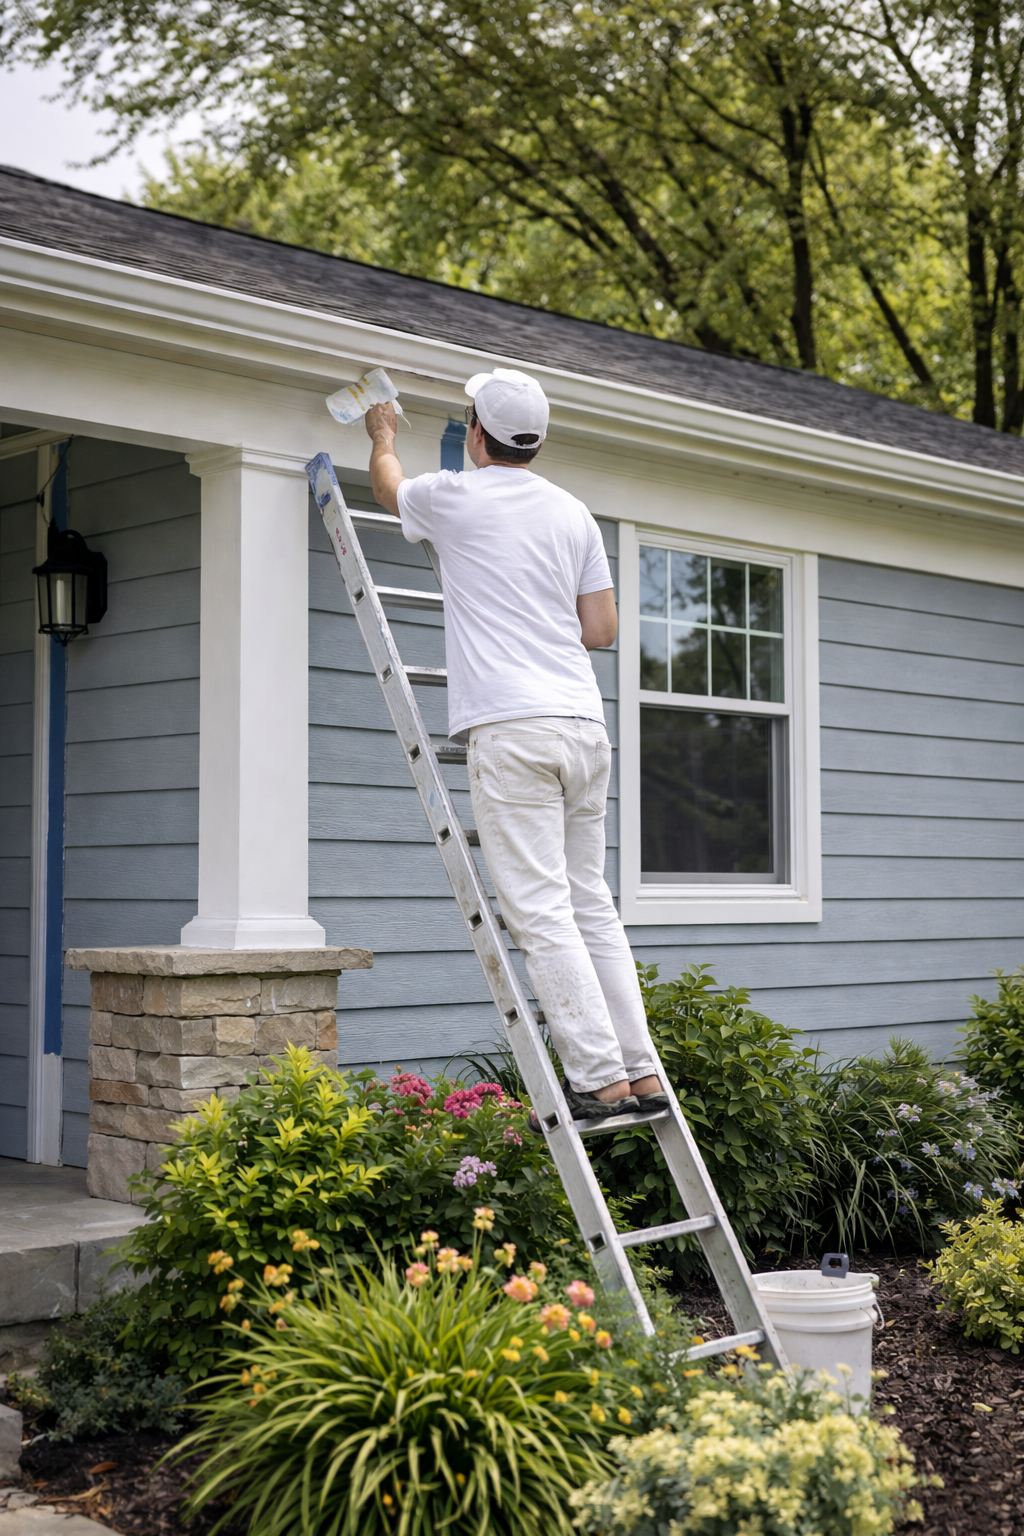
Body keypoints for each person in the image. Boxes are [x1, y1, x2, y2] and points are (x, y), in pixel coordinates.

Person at [364, 367, 667, 1126]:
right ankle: (641, 1072)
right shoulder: (573, 514)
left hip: (514, 728)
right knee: (590, 905)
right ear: (537, 438)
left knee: (541, 912)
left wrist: (382, 437)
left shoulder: (455, 496)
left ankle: (598, 1079)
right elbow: (600, 630)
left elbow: (389, 489)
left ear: (476, 433)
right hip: (583, 729)